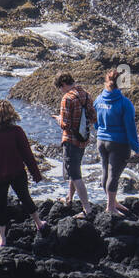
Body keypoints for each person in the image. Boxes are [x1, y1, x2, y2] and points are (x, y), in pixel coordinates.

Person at [0, 99, 45, 246]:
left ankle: (2, 239)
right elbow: (27, 154)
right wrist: (36, 174)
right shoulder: (16, 131)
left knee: (0, 204)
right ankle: (39, 223)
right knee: (25, 197)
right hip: (16, 172)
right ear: (11, 114)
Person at [94, 68, 139, 215]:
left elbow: (95, 122)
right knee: (113, 175)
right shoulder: (124, 103)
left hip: (101, 141)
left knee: (105, 173)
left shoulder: (98, 99)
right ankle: (110, 207)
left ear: (106, 82)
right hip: (118, 143)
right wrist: (136, 148)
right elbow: (130, 128)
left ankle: (112, 202)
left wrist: (101, 131)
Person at [54, 72, 96, 215]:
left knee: (75, 175)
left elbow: (65, 125)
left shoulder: (67, 98)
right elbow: (94, 117)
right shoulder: (86, 94)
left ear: (64, 84)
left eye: (60, 87)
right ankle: (69, 198)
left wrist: (58, 118)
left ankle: (87, 209)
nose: (61, 90)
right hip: (83, 139)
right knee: (74, 170)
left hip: (71, 140)